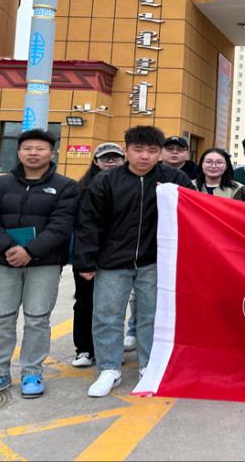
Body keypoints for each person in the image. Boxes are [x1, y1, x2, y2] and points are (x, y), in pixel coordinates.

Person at [75, 126, 195, 398]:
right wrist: (85, 261)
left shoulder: (174, 178)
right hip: (112, 261)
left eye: (152, 151)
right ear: (126, 151)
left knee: (152, 316)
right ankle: (109, 368)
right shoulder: (106, 181)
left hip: (155, 262)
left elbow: (194, 210)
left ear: (160, 153)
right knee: (107, 315)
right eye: (138, 150)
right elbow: (88, 221)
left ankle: (149, 366)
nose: (144, 156)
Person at [0, 129, 80, 400]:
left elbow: (62, 225)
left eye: (40, 149)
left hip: (44, 264)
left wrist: (31, 251)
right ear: (18, 152)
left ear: (51, 153)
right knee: (0, 318)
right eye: (28, 148)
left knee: (37, 319)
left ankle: (32, 372)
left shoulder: (66, 187)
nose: (33, 153)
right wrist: (8, 247)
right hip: (3, 262)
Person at [70, 142, 125, 369]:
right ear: (95, 161)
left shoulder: (129, 184)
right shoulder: (81, 188)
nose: (110, 162)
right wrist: (84, 259)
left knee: (113, 307)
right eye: (105, 158)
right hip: (87, 255)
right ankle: (84, 348)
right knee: (85, 302)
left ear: (123, 160)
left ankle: (110, 350)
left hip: (117, 255)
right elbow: (80, 225)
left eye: (115, 158)